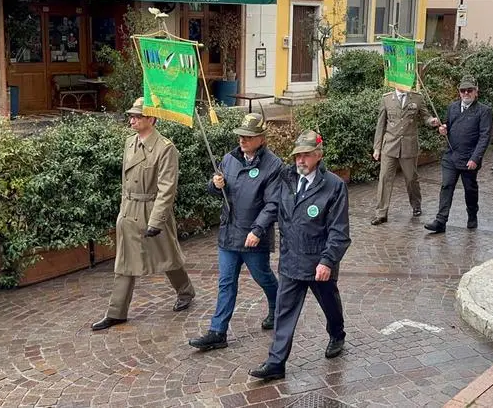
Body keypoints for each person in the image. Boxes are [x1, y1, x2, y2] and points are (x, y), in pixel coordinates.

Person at [248, 130, 351, 381]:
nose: (300, 161)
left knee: (329, 304)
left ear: (318, 155)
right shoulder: (286, 178)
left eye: (306, 155)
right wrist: (259, 228)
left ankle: (337, 333)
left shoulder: (334, 186)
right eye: (297, 156)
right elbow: (273, 206)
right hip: (291, 259)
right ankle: (276, 363)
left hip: (318, 263)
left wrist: (327, 261)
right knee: (284, 312)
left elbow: (339, 231)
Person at [91, 97, 195, 332]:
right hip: (129, 210)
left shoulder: (165, 148)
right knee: (124, 262)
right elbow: (125, 182)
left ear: (152, 119)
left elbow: (167, 188)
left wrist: (157, 220)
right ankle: (117, 312)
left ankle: (185, 291)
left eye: (138, 116)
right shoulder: (130, 143)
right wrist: (122, 211)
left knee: (168, 256)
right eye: (131, 116)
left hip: (152, 210)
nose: (132, 120)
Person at [187, 113, 282, 352]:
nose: (243, 140)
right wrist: (214, 185)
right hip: (229, 233)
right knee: (226, 282)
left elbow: (272, 204)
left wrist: (258, 230)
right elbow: (217, 189)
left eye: (248, 137)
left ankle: (279, 306)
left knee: (263, 277)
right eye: (241, 135)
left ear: (261, 138)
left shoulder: (273, 165)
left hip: (253, 237)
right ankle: (218, 332)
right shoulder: (229, 159)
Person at [424, 76, 491, 233]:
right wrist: (442, 129)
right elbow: (448, 124)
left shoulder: (483, 111)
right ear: (459, 92)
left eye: (469, 90)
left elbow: (485, 136)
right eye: (463, 90)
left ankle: (472, 214)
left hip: (469, 158)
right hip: (451, 155)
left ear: (476, 92)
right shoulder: (453, 107)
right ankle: (441, 220)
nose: (466, 93)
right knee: (446, 185)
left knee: (470, 189)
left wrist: (475, 158)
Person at [371, 88, 440, 225]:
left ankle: (416, 205)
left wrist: (432, 121)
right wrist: (377, 147)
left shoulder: (417, 98)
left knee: (411, 178)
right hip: (389, 145)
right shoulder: (386, 99)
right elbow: (381, 125)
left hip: (408, 146)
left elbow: (426, 116)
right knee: (384, 178)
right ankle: (381, 213)